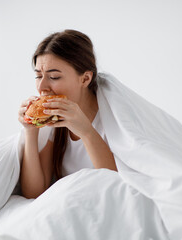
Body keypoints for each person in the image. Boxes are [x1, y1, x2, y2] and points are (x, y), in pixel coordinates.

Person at [18, 29, 117, 199]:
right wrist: (31, 131)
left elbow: (114, 184)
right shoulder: (55, 122)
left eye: (54, 77)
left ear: (85, 79)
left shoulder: (112, 118)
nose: (42, 87)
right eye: (38, 76)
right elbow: (33, 192)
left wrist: (86, 131)